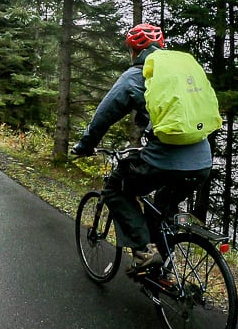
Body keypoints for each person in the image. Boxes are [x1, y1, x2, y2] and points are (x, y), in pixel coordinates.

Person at [71, 23, 213, 272]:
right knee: (163, 206)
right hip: (202, 162)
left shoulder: (137, 75)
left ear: (134, 51)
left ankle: (144, 251)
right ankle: (163, 271)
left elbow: (103, 116)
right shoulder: (180, 74)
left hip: (165, 160)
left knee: (116, 188)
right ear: (161, 46)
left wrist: (85, 146)